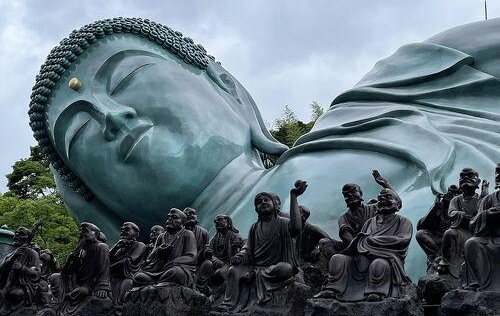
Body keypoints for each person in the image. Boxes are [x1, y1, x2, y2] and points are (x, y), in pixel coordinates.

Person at [29, 17, 500, 279]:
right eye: (79, 134)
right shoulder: (156, 277)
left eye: (128, 78)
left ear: (226, 85)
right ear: (91, 201)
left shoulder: (395, 93)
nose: (111, 117)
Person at [217, 181, 306, 311]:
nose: (263, 202)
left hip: (274, 267)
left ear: (275, 205)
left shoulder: (283, 222)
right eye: (259, 202)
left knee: (285, 269)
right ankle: (229, 304)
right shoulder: (254, 227)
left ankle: (254, 276)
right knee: (233, 270)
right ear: (256, 209)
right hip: (255, 266)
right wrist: (241, 255)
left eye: (266, 200)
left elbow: (297, 228)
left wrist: (293, 196)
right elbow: (247, 248)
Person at [317, 188, 413, 301]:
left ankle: (376, 290)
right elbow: (359, 241)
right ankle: (334, 288)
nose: (382, 199)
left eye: (387, 197)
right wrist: (361, 243)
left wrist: (372, 241)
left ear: (397, 203)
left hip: (385, 258)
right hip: (362, 258)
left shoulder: (403, 221)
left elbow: (403, 240)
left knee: (378, 264)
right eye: (380, 198)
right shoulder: (369, 222)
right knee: (337, 259)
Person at [50, 222, 111, 313]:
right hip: (75, 282)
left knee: (81, 291)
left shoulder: (101, 247)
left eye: (85, 231)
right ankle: (57, 302)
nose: (82, 234)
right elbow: (65, 273)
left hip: (89, 285)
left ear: (96, 234)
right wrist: (70, 259)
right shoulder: (81, 250)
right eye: (81, 231)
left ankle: (67, 304)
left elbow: (104, 268)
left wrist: (102, 287)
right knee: (55, 276)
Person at [437, 168, 485, 278]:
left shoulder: (480, 199)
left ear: (477, 182)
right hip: (460, 230)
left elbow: (482, 214)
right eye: (462, 177)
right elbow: (451, 213)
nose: (465, 178)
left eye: (470, 176)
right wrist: (461, 214)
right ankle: (446, 262)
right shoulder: (456, 200)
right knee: (449, 233)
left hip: (475, 232)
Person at [133, 209, 196, 287]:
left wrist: (174, 262)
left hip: (174, 268)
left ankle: (159, 283)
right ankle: (159, 282)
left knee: (177, 272)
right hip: (159, 271)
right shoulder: (161, 237)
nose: (169, 219)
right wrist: (158, 251)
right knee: (138, 276)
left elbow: (191, 257)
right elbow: (150, 258)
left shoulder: (188, 234)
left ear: (182, 222)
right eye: (168, 217)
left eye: (174, 217)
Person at [463, 163, 500, 291]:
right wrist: (487, 215)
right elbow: (473, 224)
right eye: (497, 172)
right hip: (491, 239)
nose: (498, 175)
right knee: (471, 243)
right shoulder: (489, 200)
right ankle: (479, 284)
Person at [416, 185, 459, 273]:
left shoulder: (459, 208)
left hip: (452, 240)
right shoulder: (438, 208)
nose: (448, 194)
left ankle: (443, 258)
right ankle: (437, 257)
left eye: (453, 193)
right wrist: (435, 208)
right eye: (448, 191)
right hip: (437, 241)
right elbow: (420, 226)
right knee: (420, 234)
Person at [0, 226, 41, 311]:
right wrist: (13, 257)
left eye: (21, 234)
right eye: (16, 233)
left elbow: (36, 273)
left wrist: (22, 268)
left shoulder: (32, 254)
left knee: (15, 294)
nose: (17, 236)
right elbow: (1, 267)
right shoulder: (11, 254)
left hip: (22, 286)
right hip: (6, 285)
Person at [109, 222, 146, 305]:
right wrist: (116, 247)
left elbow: (128, 261)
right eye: (122, 229)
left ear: (136, 233)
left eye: (127, 229)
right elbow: (106, 259)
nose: (123, 231)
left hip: (127, 277)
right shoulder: (119, 247)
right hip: (112, 277)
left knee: (126, 286)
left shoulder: (140, 245)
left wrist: (109, 268)